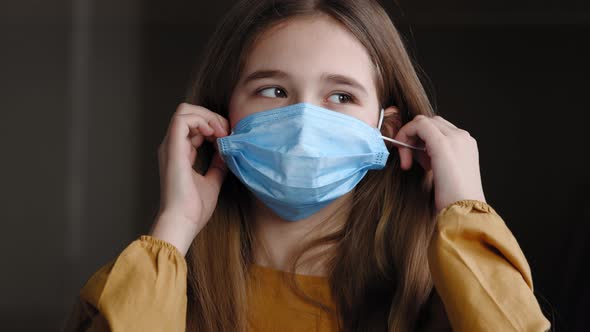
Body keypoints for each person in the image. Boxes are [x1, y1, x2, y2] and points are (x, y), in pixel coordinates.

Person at [64, 0, 551, 331]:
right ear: (220, 118)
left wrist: (466, 212)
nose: (304, 122)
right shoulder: (156, 287)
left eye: (341, 95)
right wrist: (175, 225)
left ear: (389, 126)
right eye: (273, 90)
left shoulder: (436, 298)